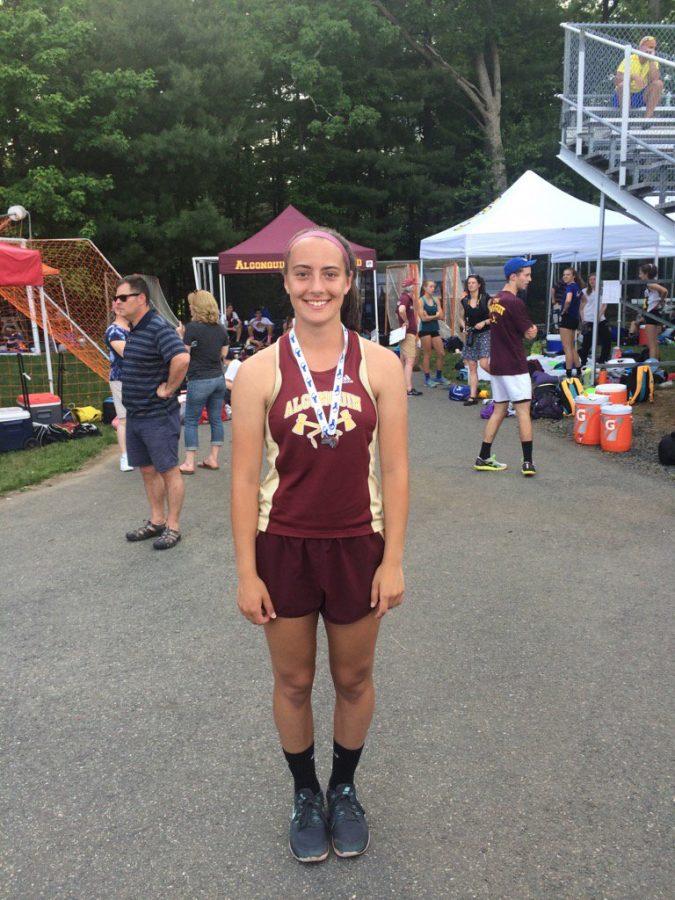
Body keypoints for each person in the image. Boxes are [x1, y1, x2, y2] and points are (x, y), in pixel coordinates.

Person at [231, 227, 408, 863]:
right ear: (285, 281)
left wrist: (393, 560)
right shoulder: (256, 372)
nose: (316, 286)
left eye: (329, 274)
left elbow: (397, 471)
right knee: (295, 679)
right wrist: (247, 574)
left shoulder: (382, 365)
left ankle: (345, 788)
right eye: (302, 274)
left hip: (359, 543)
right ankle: (306, 793)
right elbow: (246, 479)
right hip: (284, 546)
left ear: (349, 281)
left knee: (354, 677)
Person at [116, 274, 190, 550]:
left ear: (142, 299)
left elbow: (182, 358)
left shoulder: (158, 326)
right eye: (115, 298)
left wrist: (169, 389)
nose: (117, 303)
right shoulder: (135, 328)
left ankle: (173, 526)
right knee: (147, 470)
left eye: (123, 298)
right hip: (136, 415)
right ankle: (156, 521)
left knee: (169, 470)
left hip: (157, 415)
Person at [474, 257, 539, 476]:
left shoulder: (495, 300)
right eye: (526, 275)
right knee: (523, 411)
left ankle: (483, 456)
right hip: (514, 364)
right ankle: (528, 462)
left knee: (500, 409)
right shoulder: (514, 302)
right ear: (513, 276)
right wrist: (533, 331)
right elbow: (529, 332)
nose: (529, 279)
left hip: (498, 364)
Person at [178, 290, 229, 474]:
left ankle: (189, 463)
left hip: (199, 379)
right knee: (216, 418)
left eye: (192, 304)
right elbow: (223, 354)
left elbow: (184, 355)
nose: (190, 307)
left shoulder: (192, 328)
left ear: (197, 307)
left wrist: (180, 336)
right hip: (218, 379)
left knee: (191, 420)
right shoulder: (221, 328)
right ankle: (213, 458)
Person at [104, 300, 134, 471]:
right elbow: (126, 352)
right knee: (124, 419)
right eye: (118, 305)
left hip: (138, 379)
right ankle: (125, 456)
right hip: (120, 379)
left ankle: (138, 452)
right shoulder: (113, 331)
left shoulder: (135, 328)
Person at [459, 274, 491, 406]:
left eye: (473, 283)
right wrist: (464, 326)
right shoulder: (464, 300)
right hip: (472, 334)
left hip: (485, 333)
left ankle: (501, 378)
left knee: (483, 364)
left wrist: (484, 322)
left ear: (479, 284)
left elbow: (494, 317)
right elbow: (460, 317)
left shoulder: (486, 298)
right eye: (469, 283)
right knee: (472, 366)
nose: (470, 285)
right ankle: (473, 396)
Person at [613, 35, 663, 119]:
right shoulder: (630, 59)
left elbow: (654, 79)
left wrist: (651, 60)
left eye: (654, 48)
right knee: (622, 86)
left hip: (641, 96)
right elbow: (617, 81)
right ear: (641, 48)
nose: (651, 50)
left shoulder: (653, 61)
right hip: (624, 95)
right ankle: (626, 120)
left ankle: (646, 119)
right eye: (650, 47)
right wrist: (633, 77)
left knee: (658, 84)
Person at [417, 279, 449, 389]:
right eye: (430, 286)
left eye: (434, 287)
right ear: (424, 288)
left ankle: (439, 376)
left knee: (441, 353)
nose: (433, 288)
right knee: (427, 354)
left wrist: (431, 316)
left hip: (434, 329)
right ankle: (427, 379)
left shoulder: (436, 300)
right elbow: (423, 318)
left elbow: (442, 316)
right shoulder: (421, 301)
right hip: (425, 330)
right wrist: (435, 315)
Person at [579, 273, 611, 367]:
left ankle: (602, 360)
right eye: (590, 280)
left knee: (607, 339)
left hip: (601, 319)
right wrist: (583, 319)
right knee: (587, 342)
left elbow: (605, 305)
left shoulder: (603, 291)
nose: (592, 281)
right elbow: (581, 307)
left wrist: (598, 316)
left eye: (594, 279)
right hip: (588, 319)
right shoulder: (584, 291)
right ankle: (583, 361)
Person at [397, 278, 422, 396]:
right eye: (414, 286)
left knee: (403, 359)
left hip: (406, 333)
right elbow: (401, 310)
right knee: (410, 361)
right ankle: (408, 388)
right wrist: (406, 321)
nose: (415, 288)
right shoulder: (406, 298)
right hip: (408, 333)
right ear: (411, 287)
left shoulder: (404, 297)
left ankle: (401, 386)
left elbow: (399, 310)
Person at [638, 263, 668, 361]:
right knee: (654, 342)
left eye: (641, 273)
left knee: (651, 344)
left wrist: (661, 300)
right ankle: (657, 365)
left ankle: (652, 368)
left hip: (652, 314)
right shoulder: (651, 283)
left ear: (646, 274)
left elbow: (664, 291)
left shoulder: (650, 283)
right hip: (652, 313)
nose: (639, 275)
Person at [559, 267, 584, 378]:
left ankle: (568, 372)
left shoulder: (570, 287)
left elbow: (568, 300)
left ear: (573, 276)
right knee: (572, 346)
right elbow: (583, 300)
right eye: (564, 274)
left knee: (567, 347)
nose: (565, 276)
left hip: (567, 318)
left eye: (568, 274)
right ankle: (578, 369)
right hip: (574, 319)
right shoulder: (577, 287)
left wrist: (564, 310)